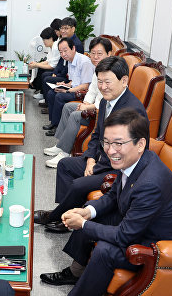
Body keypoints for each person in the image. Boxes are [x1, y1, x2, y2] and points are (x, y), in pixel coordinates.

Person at [40, 109, 172, 296]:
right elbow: (112, 196)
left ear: (140, 143)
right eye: (107, 143)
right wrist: (87, 212)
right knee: (92, 219)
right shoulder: (137, 160)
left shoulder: (151, 182)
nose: (111, 151)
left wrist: (83, 225)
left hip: (160, 246)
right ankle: (76, 271)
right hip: (142, 226)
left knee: (105, 249)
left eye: (118, 143)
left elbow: (124, 237)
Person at [34, 56, 147, 233]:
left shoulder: (133, 110)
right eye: (99, 82)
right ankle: (65, 214)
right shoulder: (104, 101)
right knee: (65, 165)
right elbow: (96, 135)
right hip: (100, 161)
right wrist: (90, 160)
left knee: (79, 184)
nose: (102, 87)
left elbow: (131, 155)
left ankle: (58, 217)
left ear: (124, 81)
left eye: (107, 82)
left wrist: (99, 165)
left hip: (116, 168)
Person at [44, 37, 113, 168]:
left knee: (76, 115)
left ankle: (65, 153)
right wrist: (86, 103)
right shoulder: (98, 69)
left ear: (109, 54)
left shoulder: (112, 73)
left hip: (104, 113)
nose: (95, 57)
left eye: (99, 53)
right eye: (93, 53)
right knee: (68, 107)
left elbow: (107, 102)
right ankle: (60, 145)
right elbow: (92, 91)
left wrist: (88, 107)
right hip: (94, 105)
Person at [41, 38, 94, 136]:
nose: (63, 54)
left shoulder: (84, 62)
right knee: (52, 93)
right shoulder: (70, 60)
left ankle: (59, 127)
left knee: (60, 96)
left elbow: (85, 85)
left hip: (83, 92)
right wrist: (66, 85)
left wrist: (68, 91)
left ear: (73, 48)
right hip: (75, 88)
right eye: (61, 52)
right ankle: (54, 122)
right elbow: (74, 80)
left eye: (65, 51)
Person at [28, 27, 60, 98]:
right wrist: (35, 64)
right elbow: (47, 61)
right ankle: (40, 91)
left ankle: (43, 94)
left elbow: (52, 66)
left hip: (58, 70)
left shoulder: (56, 48)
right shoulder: (51, 47)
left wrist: (37, 65)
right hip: (54, 67)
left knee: (43, 71)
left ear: (51, 38)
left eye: (44, 40)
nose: (43, 42)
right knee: (41, 67)